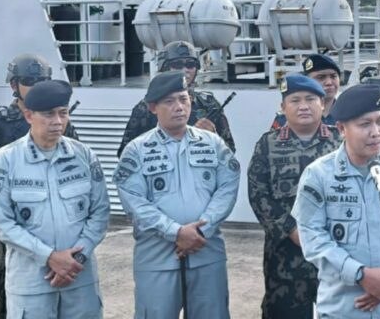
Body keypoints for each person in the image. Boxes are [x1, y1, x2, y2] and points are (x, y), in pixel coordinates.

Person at [291, 83, 380, 318]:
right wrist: (361, 275)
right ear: (341, 129)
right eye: (365, 124)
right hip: (344, 307)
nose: (376, 132)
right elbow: (313, 239)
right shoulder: (318, 175)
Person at [0, 54, 78, 319]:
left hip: (57, 219)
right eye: (29, 81)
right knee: (11, 287)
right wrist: (0, 194)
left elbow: (77, 162)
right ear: (14, 86)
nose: (36, 86)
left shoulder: (58, 121)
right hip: (16, 223)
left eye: (41, 80)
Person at [115, 70, 240, 319]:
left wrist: (202, 229)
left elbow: (228, 187)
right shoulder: (137, 150)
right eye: (169, 101)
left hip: (206, 252)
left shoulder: (213, 143)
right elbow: (134, 201)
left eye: (183, 99)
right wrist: (176, 232)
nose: (179, 107)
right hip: (158, 257)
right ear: (153, 107)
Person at [0, 80, 110, 318]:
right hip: (31, 283)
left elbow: (100, 213)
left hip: (79, 278)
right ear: (29, 115)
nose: (57, 122)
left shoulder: (84, 156)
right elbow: (3, 225)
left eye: (63, 113)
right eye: (49, 114)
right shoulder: (5, 162)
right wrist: (50, 257)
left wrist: (76, 259)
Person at [248, 74, 343, 319]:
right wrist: (292, 230)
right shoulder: (267, 145)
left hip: (335, 253)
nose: (303, 106)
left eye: (310, 99)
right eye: (295, 100)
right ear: (283, 107)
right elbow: (259, 194)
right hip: (285, 257)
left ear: (323, 103)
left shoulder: (341, 142)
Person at [117, 41, 235, 157]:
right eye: (177, 65)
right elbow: (125, 154)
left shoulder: (209, 105)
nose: (185, 69)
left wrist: (214, 138)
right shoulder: (147, 107)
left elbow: (230, 152)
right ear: (164, 68)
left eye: (190, 64)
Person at [270, 54, 341, 129]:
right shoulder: (286, 118)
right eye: (321, 77)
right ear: (307, 81)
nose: (329, 82)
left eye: (333, 76)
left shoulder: (349, 114)